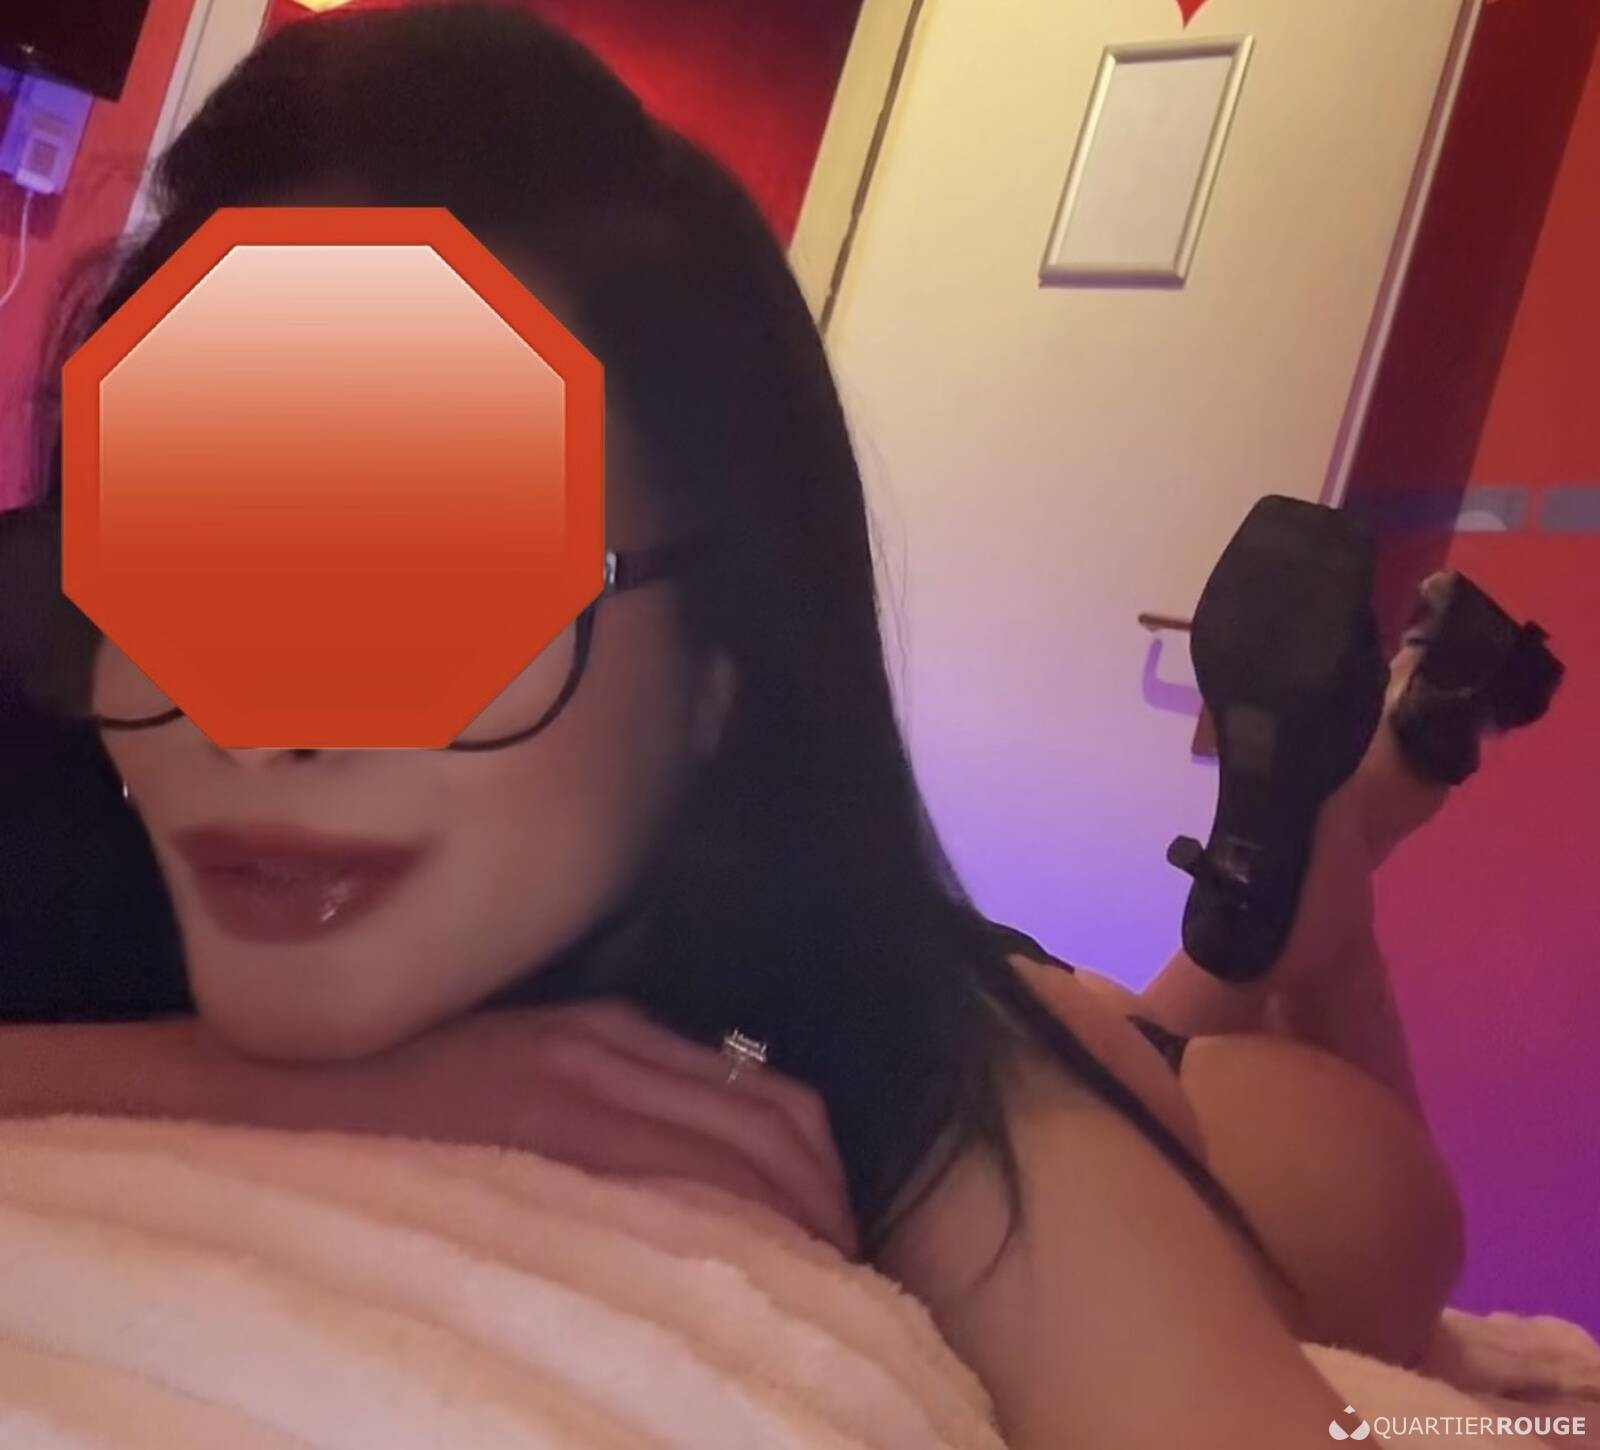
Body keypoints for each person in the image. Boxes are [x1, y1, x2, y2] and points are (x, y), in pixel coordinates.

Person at [0, 5, 1543, 1444]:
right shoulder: (47, 723)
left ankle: (1321, 878)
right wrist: (299, 1087)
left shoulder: (854, 1029)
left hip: (967, 1003)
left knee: (1345, 1197)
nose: (262, 722)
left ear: (716, 675)